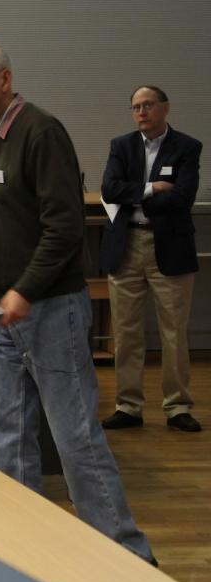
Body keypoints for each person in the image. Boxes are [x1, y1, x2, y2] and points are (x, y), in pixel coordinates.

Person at [0, 39, 154, 563]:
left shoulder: (41, 132)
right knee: (5, 436)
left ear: (4, 79)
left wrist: (25, 290)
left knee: (75, 437)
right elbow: (10, 212)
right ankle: (17, 552)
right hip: (0, 311)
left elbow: (64, 228)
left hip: (50, 309)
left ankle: (128, 558)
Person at [99, 86, 202, 433]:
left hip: (169, 247)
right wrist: (151, 188)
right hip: (126, 245)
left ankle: (178, 406)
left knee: (174, 333)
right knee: (126, 332)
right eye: (135, 107)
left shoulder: (186, 146)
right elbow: (110, 189)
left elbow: (183, 197)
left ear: (165, 108)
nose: (141, 112)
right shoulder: (122, 145)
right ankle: (128, 406)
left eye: (148, 105)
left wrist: (133, 197)